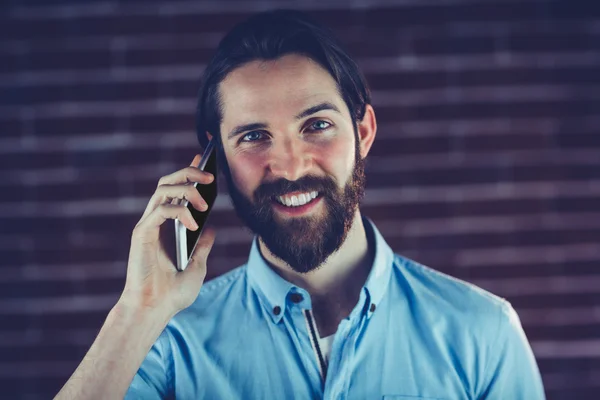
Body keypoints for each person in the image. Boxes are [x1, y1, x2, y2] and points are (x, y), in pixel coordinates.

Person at [56, 9, 546, 399]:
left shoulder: (483, 333)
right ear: (215, 159)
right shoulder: (166, 343)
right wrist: (138, 310)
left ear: (364, 132)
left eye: (316, 125)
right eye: (253, 136)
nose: (289, 167)